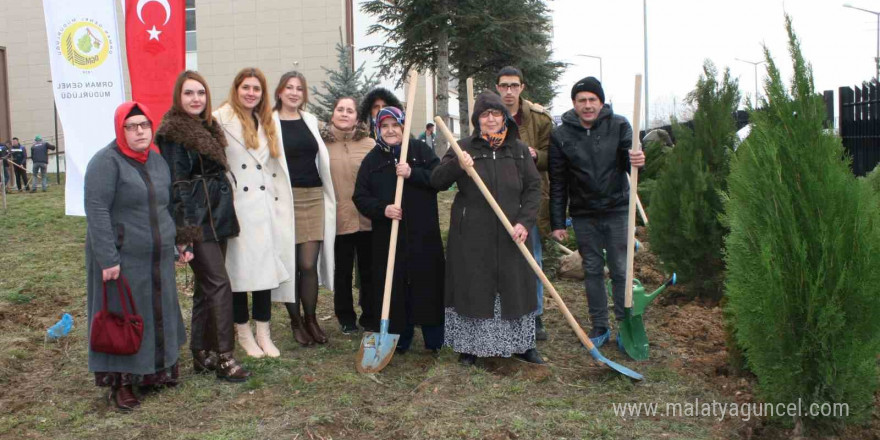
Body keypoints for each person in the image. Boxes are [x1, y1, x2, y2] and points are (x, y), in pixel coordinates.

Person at [85, 101, 187, 411]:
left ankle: (154, 372)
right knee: (122, 316)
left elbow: (165, 207)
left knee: (157, 311)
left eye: (145, 125)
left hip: (156, 255)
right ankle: (121, 383)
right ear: (121, 130)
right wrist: (108, 258)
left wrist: (177, 244)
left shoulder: (157, 161)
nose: (140, 131)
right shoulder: (105, 162)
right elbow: (97, 210)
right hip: (121, 256)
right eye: (132, 126)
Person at [431, 91, 544, 366]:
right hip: (472, 234)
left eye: (496, 113)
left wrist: (524, 222)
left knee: (516, 287)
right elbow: (437, 181)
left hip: (512, 232)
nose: (491, 119)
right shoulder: (463, 147)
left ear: (504, 117)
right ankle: (470, 347)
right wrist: (458, 164)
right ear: (476, 119)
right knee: (473, 287)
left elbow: (533, 188)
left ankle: (522, 344)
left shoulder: (517, 150)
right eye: (484, 114)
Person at [156, 70, 251, 381]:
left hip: (217, 214)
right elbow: (177, 184)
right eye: (188, 93)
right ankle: (225, 355)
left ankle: (201, 351)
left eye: (200, 93)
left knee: (205, 287)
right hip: (196, 218)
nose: (195, 99)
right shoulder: (173, 132)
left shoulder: (207, 127)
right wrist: (184, 233)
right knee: (220, 285)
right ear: (178, 97)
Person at [548, 77, 645, 348]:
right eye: (582, 100)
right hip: (584, 213)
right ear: (574, 104)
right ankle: (599, 326)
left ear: (601, 102)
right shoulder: (561, 135)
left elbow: (631, 161)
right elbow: (558, 182)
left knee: (620, 269)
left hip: (617, 209)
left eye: (592, 100)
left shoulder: (620, 125)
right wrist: (558, 221)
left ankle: (625, 324)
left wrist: (638, 159)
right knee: (592, 270)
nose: (588, 105)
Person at [353, 106, 445, 355]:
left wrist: (412, 173)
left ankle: (434, 337)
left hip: (422, 232)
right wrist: (383, 209)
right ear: (377, 130)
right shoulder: (372, 160)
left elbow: (439, 179)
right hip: (388, 235)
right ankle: (400, 338)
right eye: (384, 126)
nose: (391, 130)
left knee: (427, 281)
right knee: (394, 286)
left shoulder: (419, 151)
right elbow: (360, 196)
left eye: (395, 125)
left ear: (403, 126)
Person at [214, 67, 292, 358]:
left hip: (263, 209)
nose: (250, 93)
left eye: (256, 89)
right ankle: (243, 333)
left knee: (263, 274)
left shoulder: (267, 121)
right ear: (236, 89)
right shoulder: (221, 119)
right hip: (237, 210)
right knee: (239, 274)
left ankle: (264, 332)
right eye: (246, 87)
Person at [272, 71, 336, 346]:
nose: (294, 92)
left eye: (299, 88)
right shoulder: (269, 122)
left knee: (308, 264)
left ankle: (311, 319)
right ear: (279, 91)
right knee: (291, 262)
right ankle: (295, 322)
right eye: (289, 87)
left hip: (313, 197)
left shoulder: (310, 120)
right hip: (285, 199)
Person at [495, 66, 554, 341]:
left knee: (534, 258)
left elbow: (552, 156)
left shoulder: (539, 120)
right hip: (500, 197)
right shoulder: (489, 115)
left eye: (514, 85)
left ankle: (536, 314)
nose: (509, 91)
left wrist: (535, 155)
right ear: (497, 88)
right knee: (502, 258)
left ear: (522, 87)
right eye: (504, 85)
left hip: (530, 198)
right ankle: (505, 311)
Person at [322, 96, 377, 334]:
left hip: (367, 219)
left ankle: (369, 314)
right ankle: (345, 316)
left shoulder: (369, 145)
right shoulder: (321, 146)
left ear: (357, 117)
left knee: (368, 270)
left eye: (350, 111)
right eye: (340, 109)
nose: (345, 114)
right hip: (338, 218)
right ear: (333, 114)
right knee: (342, 271)